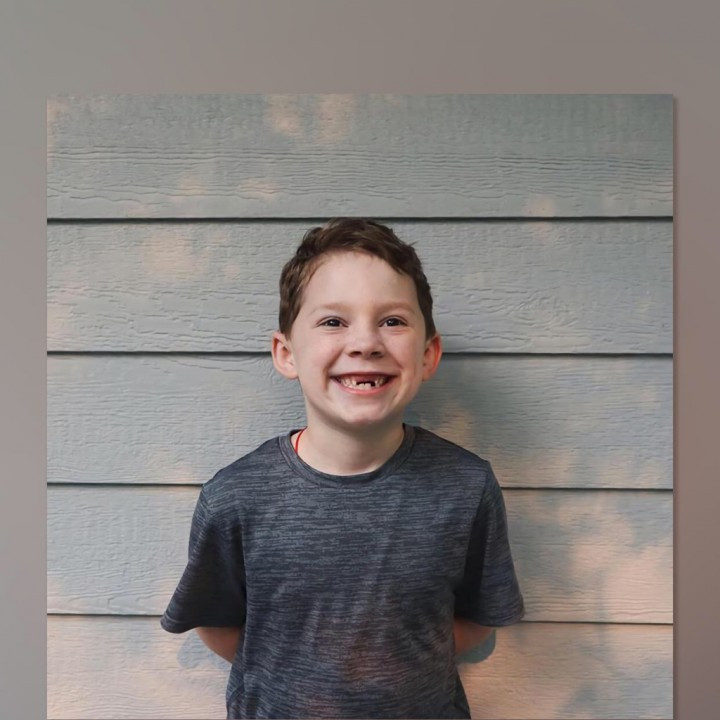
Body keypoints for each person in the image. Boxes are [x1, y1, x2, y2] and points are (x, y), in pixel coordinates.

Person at [160, 218, 525, 719]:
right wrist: (300, 676)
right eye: (333, 321)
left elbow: (478, 620)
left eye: (392, 321)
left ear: (428, 355)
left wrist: (392, 673)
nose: (365, 342)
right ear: (286, 353)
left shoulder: (466, 487)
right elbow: (217, 624)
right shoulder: (236, 496)